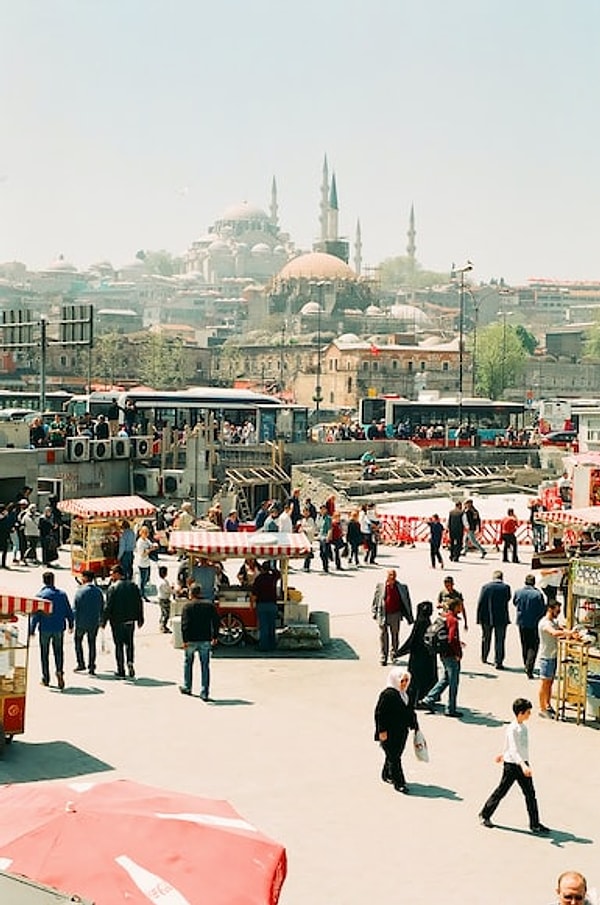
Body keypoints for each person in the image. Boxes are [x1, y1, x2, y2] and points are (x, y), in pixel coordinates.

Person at [478, 697, 549, 834]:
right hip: (512, 765)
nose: (530, 714)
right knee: (502, 791)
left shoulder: (523, 728)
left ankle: (535, 824)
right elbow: (514, 749)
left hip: (522, 762)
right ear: (521, 713)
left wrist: (503, 754)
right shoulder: (512, 729)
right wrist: (522, 765)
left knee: (530, 794)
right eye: (528, 712)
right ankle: (485, 814)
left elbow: (516, 747)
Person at [374, 668, 419, 793]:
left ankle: (386, 773)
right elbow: (379, 714)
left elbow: (410, 711)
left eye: (406, 680)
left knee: (395, 754)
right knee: (394, 756)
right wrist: (381, 731)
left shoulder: (407, 693)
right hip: (389, 731)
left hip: (402, 731)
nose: (404, 683)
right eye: (402, 680)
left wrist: (415, 725)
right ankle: (399, 782)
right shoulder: (387, 694)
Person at [30, 571, 74, 689]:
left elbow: (36, 615)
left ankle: (46, 678)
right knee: (58, 652)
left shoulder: (41, 595)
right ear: (53, 580)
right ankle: (59, 671)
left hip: (45, 628)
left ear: (44, 581)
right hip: (59, 627)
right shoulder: (62, 594)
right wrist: (71, 623)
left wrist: (32, 629)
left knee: (44, 653)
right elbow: (68, 610)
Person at [420, 597, 463, 717]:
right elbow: (451, 638)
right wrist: (458, 653)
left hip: (443, 654)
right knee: (453, 682)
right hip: (451, 655)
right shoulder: (453, 620)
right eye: (459, 606)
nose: (461, 608)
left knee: (446, 679)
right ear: (455, 607)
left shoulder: (444, 617)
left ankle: (428, 699)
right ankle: (450, 709)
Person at [102, 563, 144, 679]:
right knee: (129, 644)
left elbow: (108, 606)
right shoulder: (133, 586)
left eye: (112, 574)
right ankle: (130, 662)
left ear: (117, 574)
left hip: (117, 622)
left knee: (119, 645)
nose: (111, 577)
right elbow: (139, 603)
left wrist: (103, 621)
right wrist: (140, 618)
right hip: (130, 621)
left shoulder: (113, 588)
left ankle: (121, 670)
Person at [538, 599, 579, 718]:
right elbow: (554, 633)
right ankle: (542, 708)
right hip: (546, 657)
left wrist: (571, 633)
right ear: (550, 609)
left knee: (550, 683)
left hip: (553, 656)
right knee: (545, 683)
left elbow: (561, 629)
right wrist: (568, 634)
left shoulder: (553, 621)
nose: (559, 612)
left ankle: (548, 704)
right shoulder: (545, 623)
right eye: (557, 610)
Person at [180, 584, 220, 700]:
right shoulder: (209, 605)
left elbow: (185, 625)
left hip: (191, 639)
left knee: (188, 663)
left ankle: (187, 686)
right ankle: (204, 692)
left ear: (191, 593)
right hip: (205, 639)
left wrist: (185, 640)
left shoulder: (187, 607)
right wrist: (215, 636)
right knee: (205, 666)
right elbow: (216, 621)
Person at [395, 601, 437, 705]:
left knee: (416, 679)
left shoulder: (420, 622)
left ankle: (415, 701)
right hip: (427, 657)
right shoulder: (427, 621)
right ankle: (423, 699)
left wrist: (400, 652)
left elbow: (412, 640)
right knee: (425, 678)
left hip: (417, 657)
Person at [372, 569, 414, 666]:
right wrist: (374, 612)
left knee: (395, 636)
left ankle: (394, 655)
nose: (392, 577)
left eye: (394, 575)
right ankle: (383, 657)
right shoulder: (380, 586)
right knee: (383, 636)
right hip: (383, 614)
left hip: (395, 614)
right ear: (387, 576)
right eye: (390, 575)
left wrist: (409, 616)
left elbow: (407, 601)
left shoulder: (402, 587)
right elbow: (376, 599)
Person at [476, 569, 512, 669]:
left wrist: (478, 618)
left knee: (486, 638)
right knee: (500, 640)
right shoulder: (506, 587)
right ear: (502, 578)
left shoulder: (485, 587)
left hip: (486, 617)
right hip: (501, 617)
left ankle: (484, 657)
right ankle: (498, 661)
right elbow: (508, 598)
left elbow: (481, 602)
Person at [513, 574, 546, 679]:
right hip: (534, 623)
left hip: (521, 622)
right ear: (534, 582)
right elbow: (542, 610)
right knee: (533, 646)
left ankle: (526, 663)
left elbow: (515, 602)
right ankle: (529, 667)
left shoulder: (518, 592)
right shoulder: (538, 594)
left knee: (524, 644)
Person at [73, 569, 104, 675]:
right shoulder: (98, 591)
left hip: (81, 622)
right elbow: (102, 607)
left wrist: (72, 622)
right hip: (94, 622)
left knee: (78, 642)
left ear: (85, 578)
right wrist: (101, 620)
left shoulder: (80, 591)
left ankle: (81, 663)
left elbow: (75, 608)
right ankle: (91, 666)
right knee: (92, 644)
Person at [251, 561, 281, 652]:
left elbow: (254, 594)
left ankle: (264, 646)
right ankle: (272, 645)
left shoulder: (258, 579)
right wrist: (273, 568)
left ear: (261, 569)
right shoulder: (273, 577)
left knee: (264, 627)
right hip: (272, 605)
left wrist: (252, 604)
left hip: (262, 605)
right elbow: (279, 574)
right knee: (272, 626)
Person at [135, 525, 157, 601]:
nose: (146, 534)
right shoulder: (140, 542)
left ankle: (142, 593)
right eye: (144, 532)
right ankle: (142, 594)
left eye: (147, 532)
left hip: (147, 562)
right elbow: (142, 554)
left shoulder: (146, 540)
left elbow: (151, 545)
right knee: (142, 580)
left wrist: (154, 546)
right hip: (142, 563)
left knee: (146, 579)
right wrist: (150, 550)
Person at [316, 504, 332, 573]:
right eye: (321, 509)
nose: (322, 511)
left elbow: (330, 528)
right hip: (320, 536)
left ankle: (326, 567)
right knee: (321, 553)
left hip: (325, 537)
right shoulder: (320, 517)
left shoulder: (328, 518)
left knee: (324, 553)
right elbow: (319, 527)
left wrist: (328, 537)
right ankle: (324, 565)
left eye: (323, 509)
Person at [157, 564, 173, 633]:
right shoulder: (163, 583)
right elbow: (168, 590)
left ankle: (162, 625)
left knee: (163, 613)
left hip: (161, 598)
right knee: (166, 614)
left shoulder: (161, 581)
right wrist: (173, 590)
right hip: (164, 599)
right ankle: (163, 626)